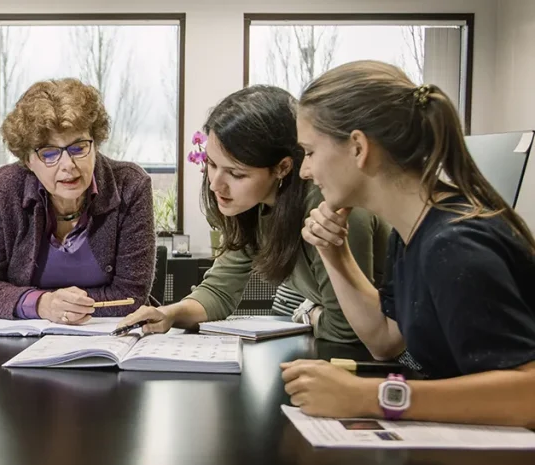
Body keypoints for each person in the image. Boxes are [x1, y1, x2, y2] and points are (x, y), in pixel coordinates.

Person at [282, 60, 535, 427]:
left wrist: (371, 397)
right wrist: (334, 253)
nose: (306, 171)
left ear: (357, 147)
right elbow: (384, 340)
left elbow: (527, 394)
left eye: (310, 152)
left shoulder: (455, 244)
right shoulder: (411, 231)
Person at [118, 85, 389, 343]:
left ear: (282, 167)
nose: (215, 184)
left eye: (236, 173)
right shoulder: (253, 207)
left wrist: (305, 312)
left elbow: (347, 331)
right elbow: (218, 291)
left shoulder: (327, 207)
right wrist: (168, 314)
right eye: (212, 164)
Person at [0, 78, 156, 324]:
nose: (68, 166)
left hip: (109, 338)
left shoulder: (130, 185)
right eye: (49, 153)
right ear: (28, 160)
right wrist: (42, 304)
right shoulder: (5, 188)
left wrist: (65, 309)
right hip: (21, 346)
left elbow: (131, 296)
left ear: (95, 145)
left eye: (78, 148)